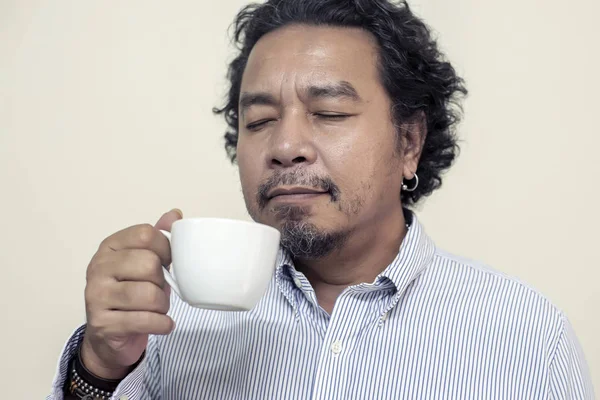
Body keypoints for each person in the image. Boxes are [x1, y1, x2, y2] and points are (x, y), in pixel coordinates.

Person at [48, 0, 595, 399]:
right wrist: (99, 366)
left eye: (329, 113)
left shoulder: (524, 334)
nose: (285, 146)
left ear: (410, 142)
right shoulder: (168, 319)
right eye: (259, 120)